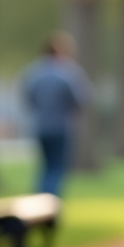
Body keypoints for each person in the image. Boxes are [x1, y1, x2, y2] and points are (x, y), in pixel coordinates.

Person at [22, 31, 91, 197]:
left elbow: (28, 97)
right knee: (57, 166)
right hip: (61, 127)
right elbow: (81, 99)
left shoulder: (34, 72)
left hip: (41, 126)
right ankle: (50, 199)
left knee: (45, 165)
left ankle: (40, 196)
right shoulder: (68, 72)